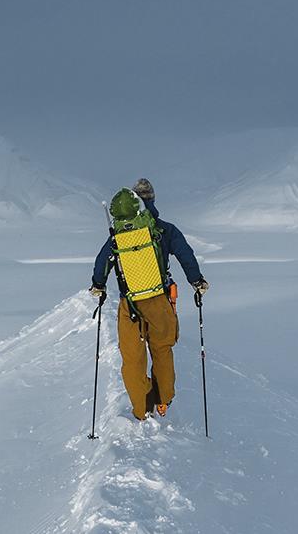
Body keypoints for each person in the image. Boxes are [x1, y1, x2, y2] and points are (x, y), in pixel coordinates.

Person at [90, 178, 208, 420]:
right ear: (152, 201)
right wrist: (197, 281)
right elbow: (186, 255)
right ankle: (163, 402)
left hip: (129, 304)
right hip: (159, 300)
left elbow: (103, 262)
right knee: (162, 350)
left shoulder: (119, 234)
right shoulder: (165, 229)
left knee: (133, 358)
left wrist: (98, 286)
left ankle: (142, 409)